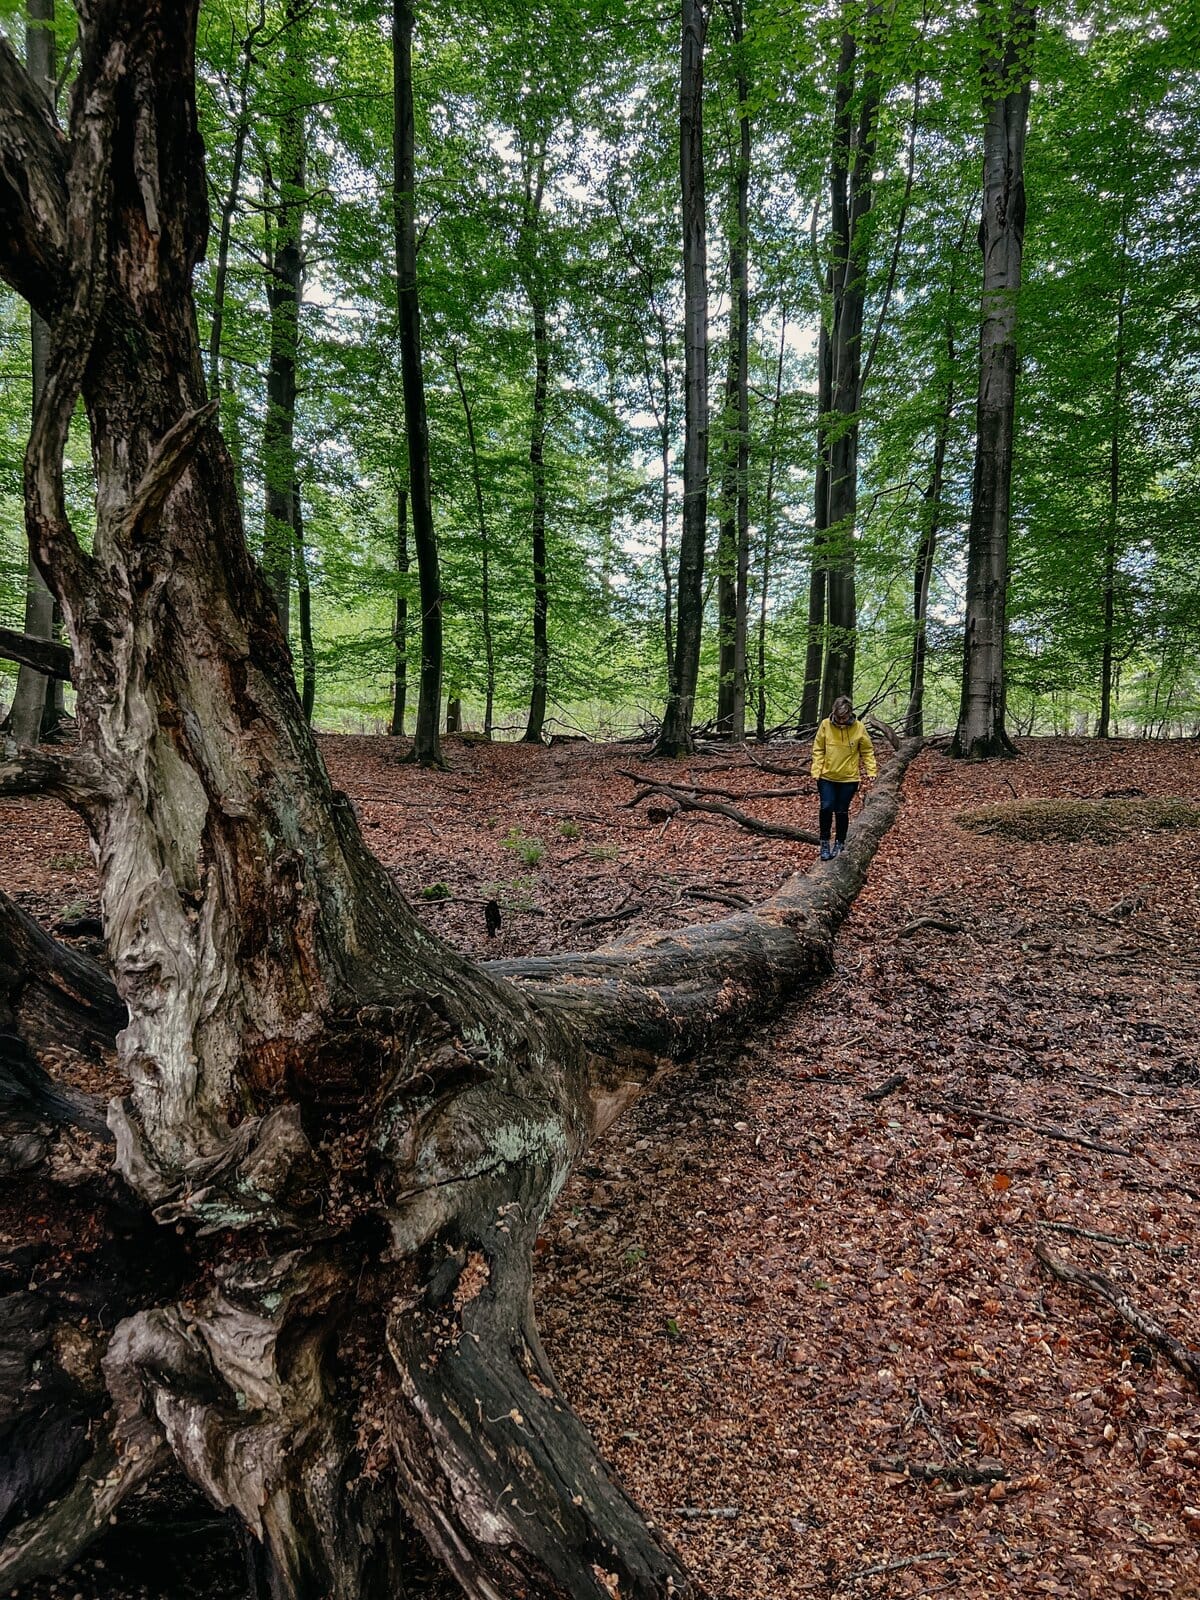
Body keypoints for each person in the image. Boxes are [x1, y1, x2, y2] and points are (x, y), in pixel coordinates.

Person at [810, 696, 877, 860]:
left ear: (850, 714)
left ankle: (839, 842)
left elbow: (867, 751)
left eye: (844, 717)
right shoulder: (825, 725)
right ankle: (824, 842)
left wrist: (871, 771)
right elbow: (818, 749)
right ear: (833, 712)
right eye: (838, 717)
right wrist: (816, 770)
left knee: (841, 811)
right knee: (826, 807)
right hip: (827, 776)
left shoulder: (859, 728)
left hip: (849, 779)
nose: (841, 721)